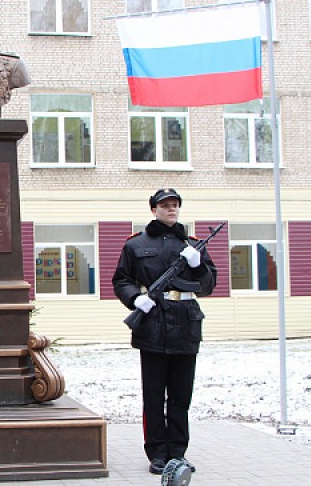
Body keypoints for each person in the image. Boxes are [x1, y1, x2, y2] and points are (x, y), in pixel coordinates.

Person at [112, 188, 217, 476]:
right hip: (153, 324)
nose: (171, 210)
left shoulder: (193, 245)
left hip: (186, 324)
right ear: (154, 210)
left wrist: (197, 266)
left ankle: (178, 453)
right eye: (165, 205)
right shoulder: (136, 245)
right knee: (155, 395)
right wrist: (135, 299)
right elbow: (121, 279)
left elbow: (208, 286)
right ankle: (158, 453)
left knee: (182, 396)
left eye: (175, 205)